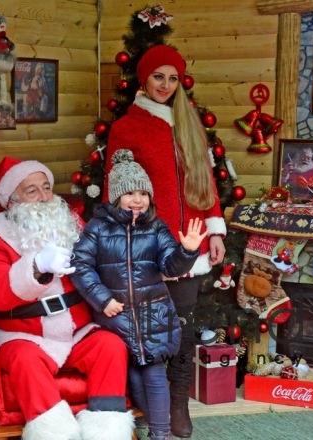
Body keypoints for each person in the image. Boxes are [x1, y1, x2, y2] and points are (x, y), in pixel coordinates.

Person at [105, 44, 227, 439]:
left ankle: (178, 402)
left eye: (173, 78)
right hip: (149, 244)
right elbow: (118, 187)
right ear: (144, 78)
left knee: (183, 327)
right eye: (159, 76)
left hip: (191, 240)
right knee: (150, 329)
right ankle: (149, 403)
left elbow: (205, 181)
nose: (166, 85)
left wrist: (216, 228)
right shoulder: (129, 126)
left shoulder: (187, 122)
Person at [0, 156, 135, 440]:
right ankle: (55, 433)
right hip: (25, 335)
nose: (44, 197)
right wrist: (36, 265)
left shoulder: (70, 223)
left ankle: (107, 432)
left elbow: (102, 259)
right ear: (11, 201)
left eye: (47, 188)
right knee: (25, 361)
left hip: (76, 330)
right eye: (32, 191)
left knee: (110, 346)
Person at [70, 150, 207, 440]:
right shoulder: (98, 228)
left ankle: (161, 434)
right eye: (130, 192)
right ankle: (147, 425)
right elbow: (80, 265)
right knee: (131, 372)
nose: (138, 199)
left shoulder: (156, 228)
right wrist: (102, 299)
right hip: (116, 315)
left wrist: (188, 251)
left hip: (152, 314)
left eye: (143, 193)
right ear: (115, 196)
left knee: (154, 372)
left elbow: (171, 265)